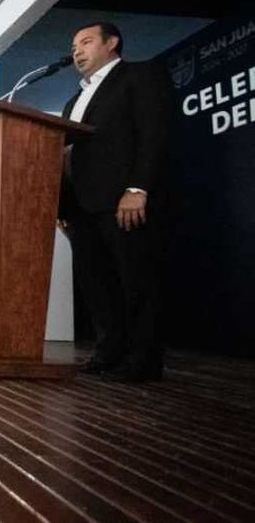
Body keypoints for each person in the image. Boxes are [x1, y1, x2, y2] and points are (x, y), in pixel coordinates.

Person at [58, 22, 173, 382]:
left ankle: (143, 360)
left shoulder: (140, 76)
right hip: (81, 207)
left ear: (112, 43)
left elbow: (155, 133)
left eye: (86, 42)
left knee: (134, 280)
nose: (77, 51)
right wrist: (62, 207)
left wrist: (138, 188)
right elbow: (65, 156)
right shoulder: (72, 101)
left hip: (121, 201)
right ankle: (109, 351)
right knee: (97, 285)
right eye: (74, 45)